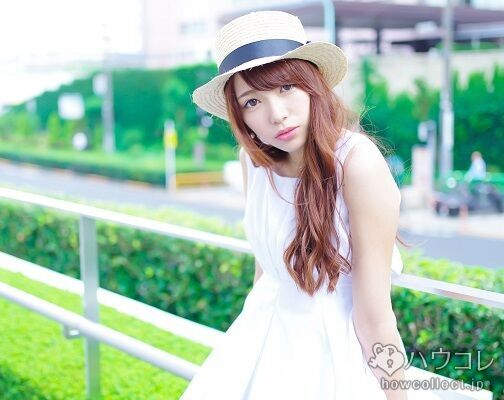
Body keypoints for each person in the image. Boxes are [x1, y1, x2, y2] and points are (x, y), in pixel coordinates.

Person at [181, 11, 434, 400]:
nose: (276, 114)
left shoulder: (357, 162)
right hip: (258, 345)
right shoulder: (253, 163)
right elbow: (265, 275)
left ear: (312, 84)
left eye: (286, 87)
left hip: (331, 357)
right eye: (252, 101)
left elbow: (374, 318)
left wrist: (398, 396)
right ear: (240, 117)